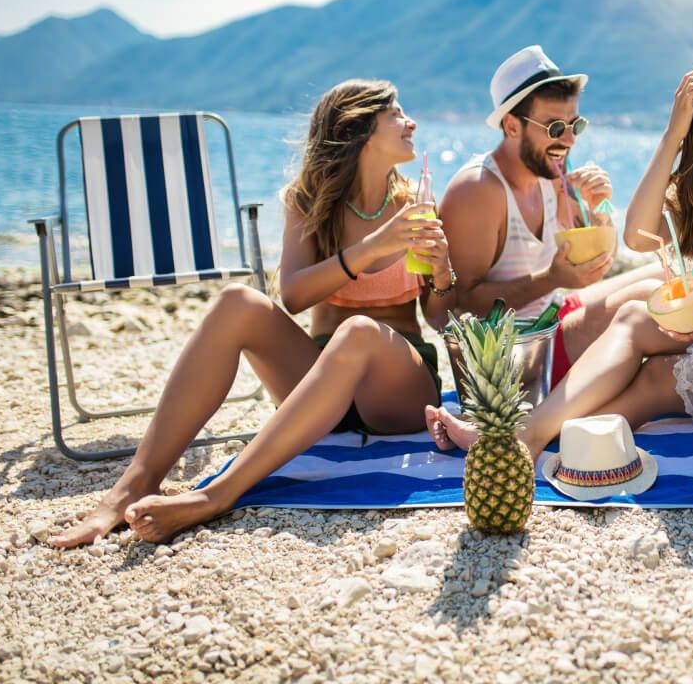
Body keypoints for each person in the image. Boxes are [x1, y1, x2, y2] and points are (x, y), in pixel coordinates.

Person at [52, 79, 456, 547]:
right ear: (362, 130)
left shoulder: (417, 205)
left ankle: (217, 497)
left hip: (397, 390)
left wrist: (444, 275)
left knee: (360, 331)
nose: (412, 122)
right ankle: (137, 480)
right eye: (397, 114)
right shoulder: (309, 202)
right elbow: (295, 296)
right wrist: (373, 247)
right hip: (317, 384)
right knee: (236, 302)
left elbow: (439, 317)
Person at [428, 47, 693, 456]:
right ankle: (527, 435)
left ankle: (521, 437)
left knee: (655, 371)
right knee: (642, 331)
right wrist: (672, 136)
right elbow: (638, 237)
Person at [439, 45, 663, 387]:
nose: (570, 139)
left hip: (551, 318)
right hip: (508, 357)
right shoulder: (478, 191)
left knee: (667, 272)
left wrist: (599, 209)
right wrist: (551, 278)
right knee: (647, 295)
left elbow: (594, 266)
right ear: (512, 126)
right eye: (556, 127)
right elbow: (461, 306)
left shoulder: (552, 171)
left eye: (576, 124)